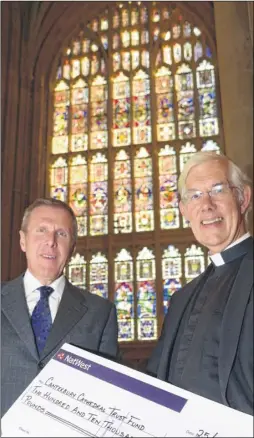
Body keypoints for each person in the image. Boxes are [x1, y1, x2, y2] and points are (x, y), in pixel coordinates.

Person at [147, 151, 253, 415]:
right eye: (194, 195)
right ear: (184, 211)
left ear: (243, 198)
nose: (206, 205)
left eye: (218, 190)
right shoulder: (182, 298)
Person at [1, 198, 119, 416]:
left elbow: (105, 395)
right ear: (23, 240)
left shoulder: (101, 313)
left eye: (61, 234)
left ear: (72, 246)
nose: (51, 241)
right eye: (41, 230)